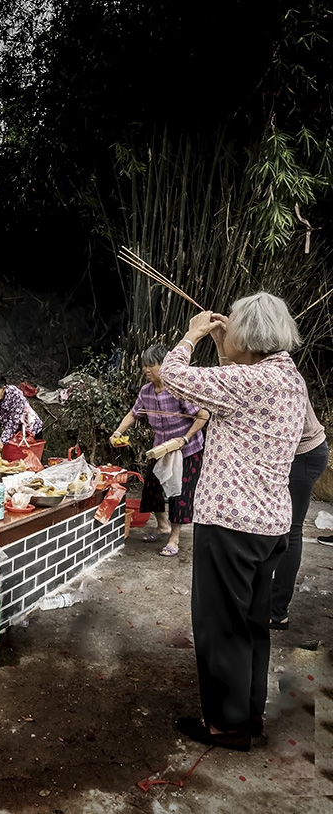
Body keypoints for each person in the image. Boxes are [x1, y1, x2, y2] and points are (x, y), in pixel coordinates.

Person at [159, 292, 308, 751]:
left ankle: (224, 726)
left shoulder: (249, 382)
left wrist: (192, 335)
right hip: (270, 526)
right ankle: (249, 715)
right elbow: (230, 387)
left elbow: (172, 376)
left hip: (230, 523)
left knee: (219, 625)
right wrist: (225, 349)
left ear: (252, 336)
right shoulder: (289, 378)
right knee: (250, 625)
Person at [110, 345, 209, 557]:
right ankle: (162, 525)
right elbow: (134, 413)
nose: (147, 369)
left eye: (151, 365)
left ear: (165, 366)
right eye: (144, 365)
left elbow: (203, 416)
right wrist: (118, 432)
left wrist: (185, 438)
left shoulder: (178, 390)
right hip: (160, 447)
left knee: (179, 492)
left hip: (187, 448)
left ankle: (174, 538)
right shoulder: (146, 391)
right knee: (152, 486)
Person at [269, 398, 328, 629]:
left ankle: (277, 612)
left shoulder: (273, 372)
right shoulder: (267, 367)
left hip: (303, 454)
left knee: (290, 530)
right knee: (282, 528)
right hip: (302, 452)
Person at [0, 373, 43, 458]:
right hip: (10, 434)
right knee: (11, 462)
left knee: (29, 461)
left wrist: (0, 444)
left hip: (29, 431)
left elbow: (12, 423)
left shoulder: (16, 395)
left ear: (3, 389)